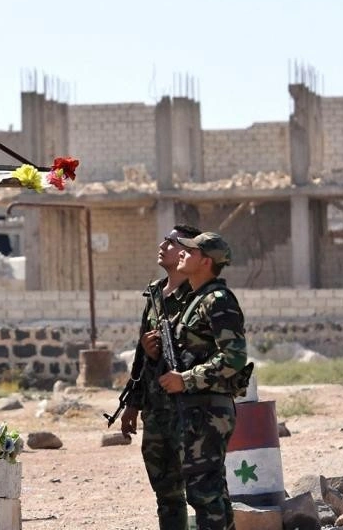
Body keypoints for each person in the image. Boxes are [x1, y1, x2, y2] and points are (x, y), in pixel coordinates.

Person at [159, 231, 250, 530]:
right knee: (212, 491)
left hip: (209, 409)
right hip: (197, 408)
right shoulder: (196, 299)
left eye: (190, 251)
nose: (182, 253)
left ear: (206, 261)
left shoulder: (217, 300)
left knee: (204, 493)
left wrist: (185, 380)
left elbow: (234, 357)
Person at [120, 223, 202, 530]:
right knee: (166, 493)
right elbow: (141, 356)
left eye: (171, 242)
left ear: (187, 252)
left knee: (201, 491)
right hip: (156, 410)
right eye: (164, 240)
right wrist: (132, 403)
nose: (162, 245)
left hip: (189, 409)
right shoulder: (155, 294)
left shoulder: (198, 296)